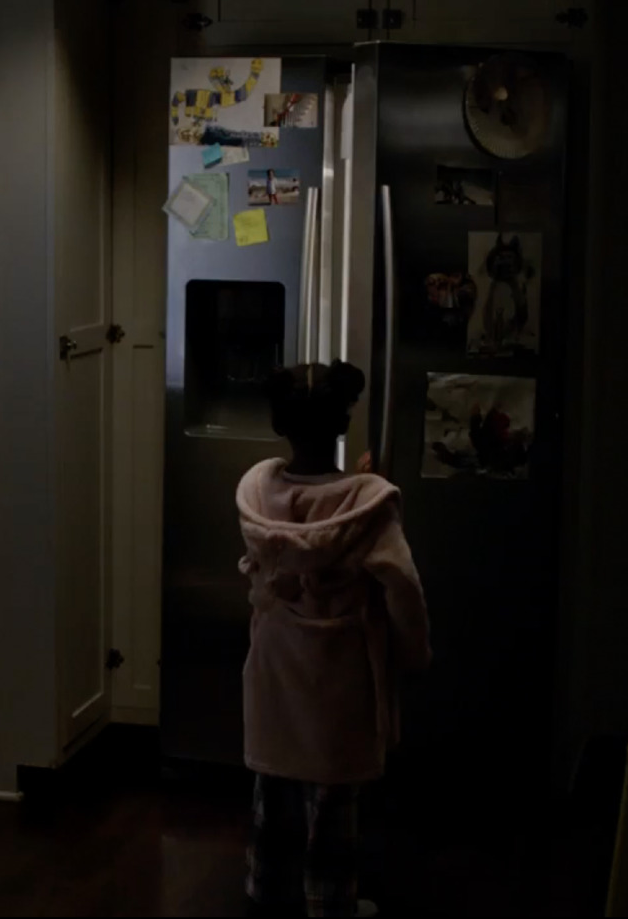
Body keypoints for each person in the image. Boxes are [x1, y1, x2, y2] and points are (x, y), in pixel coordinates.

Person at [236, 361, 431, 918]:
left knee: (273, 778)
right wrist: (412, 650)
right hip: (339, 664)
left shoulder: (257, 492)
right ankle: (328, 900)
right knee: (332, 792)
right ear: (344, 422)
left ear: (279, 423)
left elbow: (300, 518)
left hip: (275, 655)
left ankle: (265, 885)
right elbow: (403, 587)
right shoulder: (367, 502)